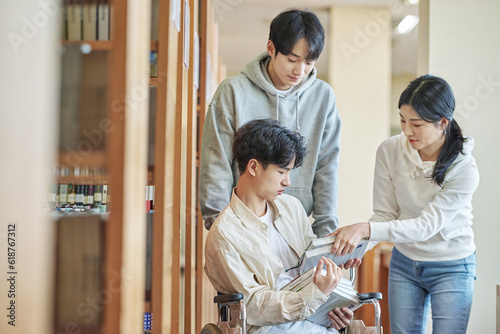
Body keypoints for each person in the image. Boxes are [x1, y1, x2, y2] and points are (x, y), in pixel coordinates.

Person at [330, 74, 479, 334]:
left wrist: (364, 230)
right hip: (405, 262)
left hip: (452, 264)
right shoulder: (389, 151)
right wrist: (358, 250)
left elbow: (425, 226)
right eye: (402, 120)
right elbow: (385, 214)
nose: (407, 131)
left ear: (443, 122)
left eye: (417, 124)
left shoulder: (464, 167)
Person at [199, 8, 341, 237]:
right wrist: (220, 227)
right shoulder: (233, 92)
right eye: (292, 59)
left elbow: (327, 166)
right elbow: (216, 163)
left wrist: (325, 232)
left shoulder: (323, 97)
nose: (300, 70)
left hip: (297, 230)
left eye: (309, 62)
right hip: (241, 226)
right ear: (271, 48)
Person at [204, 119, 353, 334]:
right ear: (253, 166)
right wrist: (313, 297)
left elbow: (311, 264)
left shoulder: (292, 207)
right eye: (282, 172)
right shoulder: (225, 234)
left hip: (312, 316)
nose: (287, 182)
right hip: (268, 327)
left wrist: (331, 293)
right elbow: (254, 305)